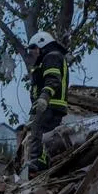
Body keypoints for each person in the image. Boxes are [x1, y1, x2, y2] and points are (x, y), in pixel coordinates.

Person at [26, 30, 70, 173]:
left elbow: (53, 79)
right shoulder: (52, 57)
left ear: (42, 45)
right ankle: (44, 163)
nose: (33, 54)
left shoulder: (52, 57)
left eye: (34, 50)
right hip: (51, 106)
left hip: (50, 105)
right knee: (46, 135)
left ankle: (37, 165)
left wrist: (44, 97)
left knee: (38, 134)